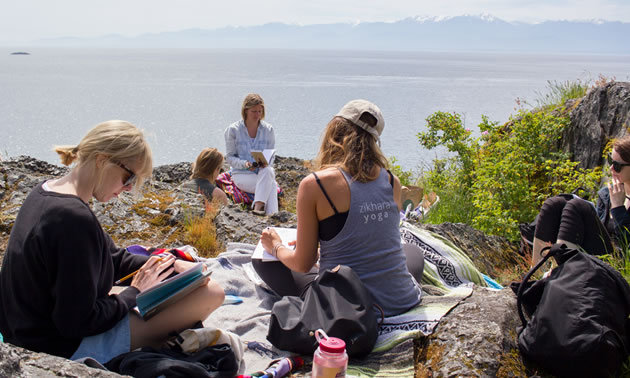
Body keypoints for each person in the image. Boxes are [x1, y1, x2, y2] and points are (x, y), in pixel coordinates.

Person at [0, 120, 225, 364]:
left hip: (25, 333)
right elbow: (77, 322)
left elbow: (113, 258)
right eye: (128, 178)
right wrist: (134, 293)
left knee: (190, 286)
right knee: (212, 293)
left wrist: (168, 264)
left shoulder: (45, 192)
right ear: (102, 160)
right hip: (59, 347)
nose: (128, 189)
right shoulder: (73, 219)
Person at [254, 99, 422, 317]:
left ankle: (321, 300)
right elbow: (372, 233)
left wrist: (275, 246)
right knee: (412, 251)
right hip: (402, 300)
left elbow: (303, 264)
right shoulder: (392, 181)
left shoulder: (315, 185)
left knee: (262, 261)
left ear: (335, 129)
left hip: (347, 309)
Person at [529, 137, 630, 265]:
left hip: (620, 265)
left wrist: (617, 209)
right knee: (554, 204)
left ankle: (562, 275)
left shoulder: (615, 199)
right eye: (610, 160)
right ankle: (536, 273)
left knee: (577, 206)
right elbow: (597, 234)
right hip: (599, 256)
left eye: (617, 165)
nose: (611, 169)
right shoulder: (606, 194)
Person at [224, 93, 278, 215]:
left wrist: (265, 162)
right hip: (241, 174)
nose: (257, 115)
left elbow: (272, 155)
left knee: (268, 171)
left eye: (260, 111)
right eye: (254, 111)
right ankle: (272, 216)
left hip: (262, 173)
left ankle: (258, 210)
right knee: (272, 185)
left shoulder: (268, 129)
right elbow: (230, 157)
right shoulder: (233, 130)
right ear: (246, 110)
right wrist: (246, 164)